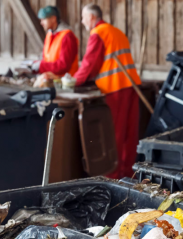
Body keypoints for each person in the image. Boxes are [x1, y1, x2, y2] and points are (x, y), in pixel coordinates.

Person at [73, 4, 141, 179]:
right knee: (129, 134)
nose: (82, 21)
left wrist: (73, 82)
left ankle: (112, 178)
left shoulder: (98, 33)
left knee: (114, 134)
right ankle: (128, 175)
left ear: (92, 17)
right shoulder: (116, 31)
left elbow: (90, 64)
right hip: (131, 86)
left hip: (114, 88)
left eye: (83, 17)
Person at [32, 6, 79, 77]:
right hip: (52, 78)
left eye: (44, 19)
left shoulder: (67, 36)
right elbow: (46, 59)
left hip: (65, 81)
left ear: (53, 19)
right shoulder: (49, 34)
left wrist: (41, 66)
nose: (41, 23)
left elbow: (64, 66)